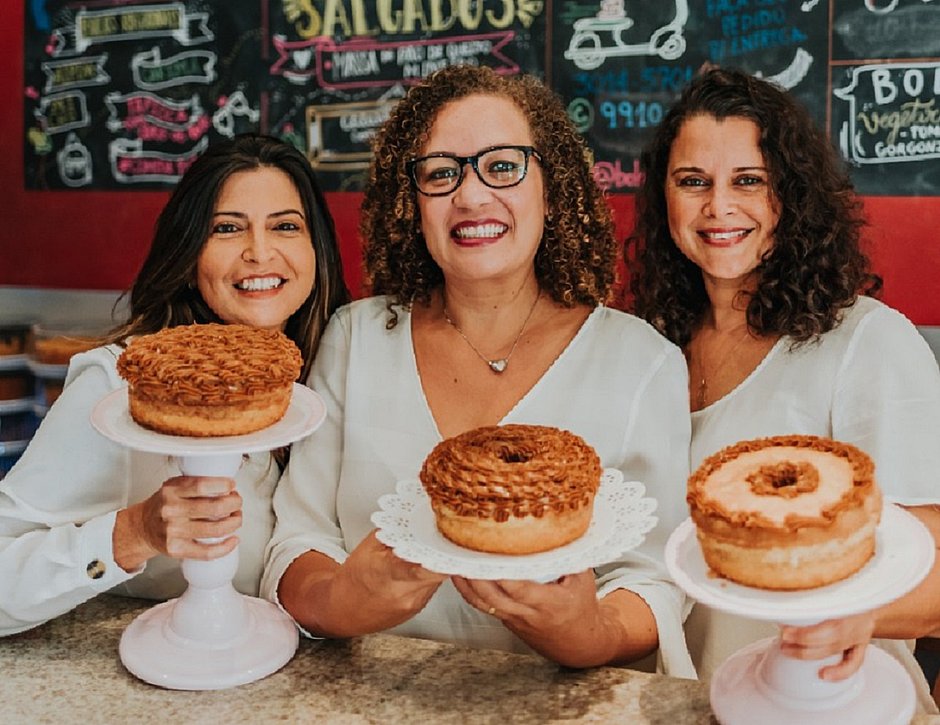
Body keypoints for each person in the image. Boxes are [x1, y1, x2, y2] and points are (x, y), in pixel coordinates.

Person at [261, 65, 696, 675]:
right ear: (411, 203)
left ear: (554, 187)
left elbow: (655, 581)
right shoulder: (356, 336)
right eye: (441, 173)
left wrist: (584, 632)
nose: (470, 196)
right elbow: (296, 541)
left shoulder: (642, 362)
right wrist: (343, 601)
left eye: (503, 166)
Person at [628, 67, 940, 710]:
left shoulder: (869, 343)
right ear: (665, 199)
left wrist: (855, 619)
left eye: (749, 180)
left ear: (790, 195)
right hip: (683, 703)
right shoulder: (648, 347)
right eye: (693, 182)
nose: (719, 207)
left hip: (831, 702)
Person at [0, 134, 349, 636]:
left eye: (286, 226)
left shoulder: (330, 378)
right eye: (228, 228)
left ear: (317, 249)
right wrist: (133, 533)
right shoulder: (119, 391)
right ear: (189, 256)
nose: (259, 252)